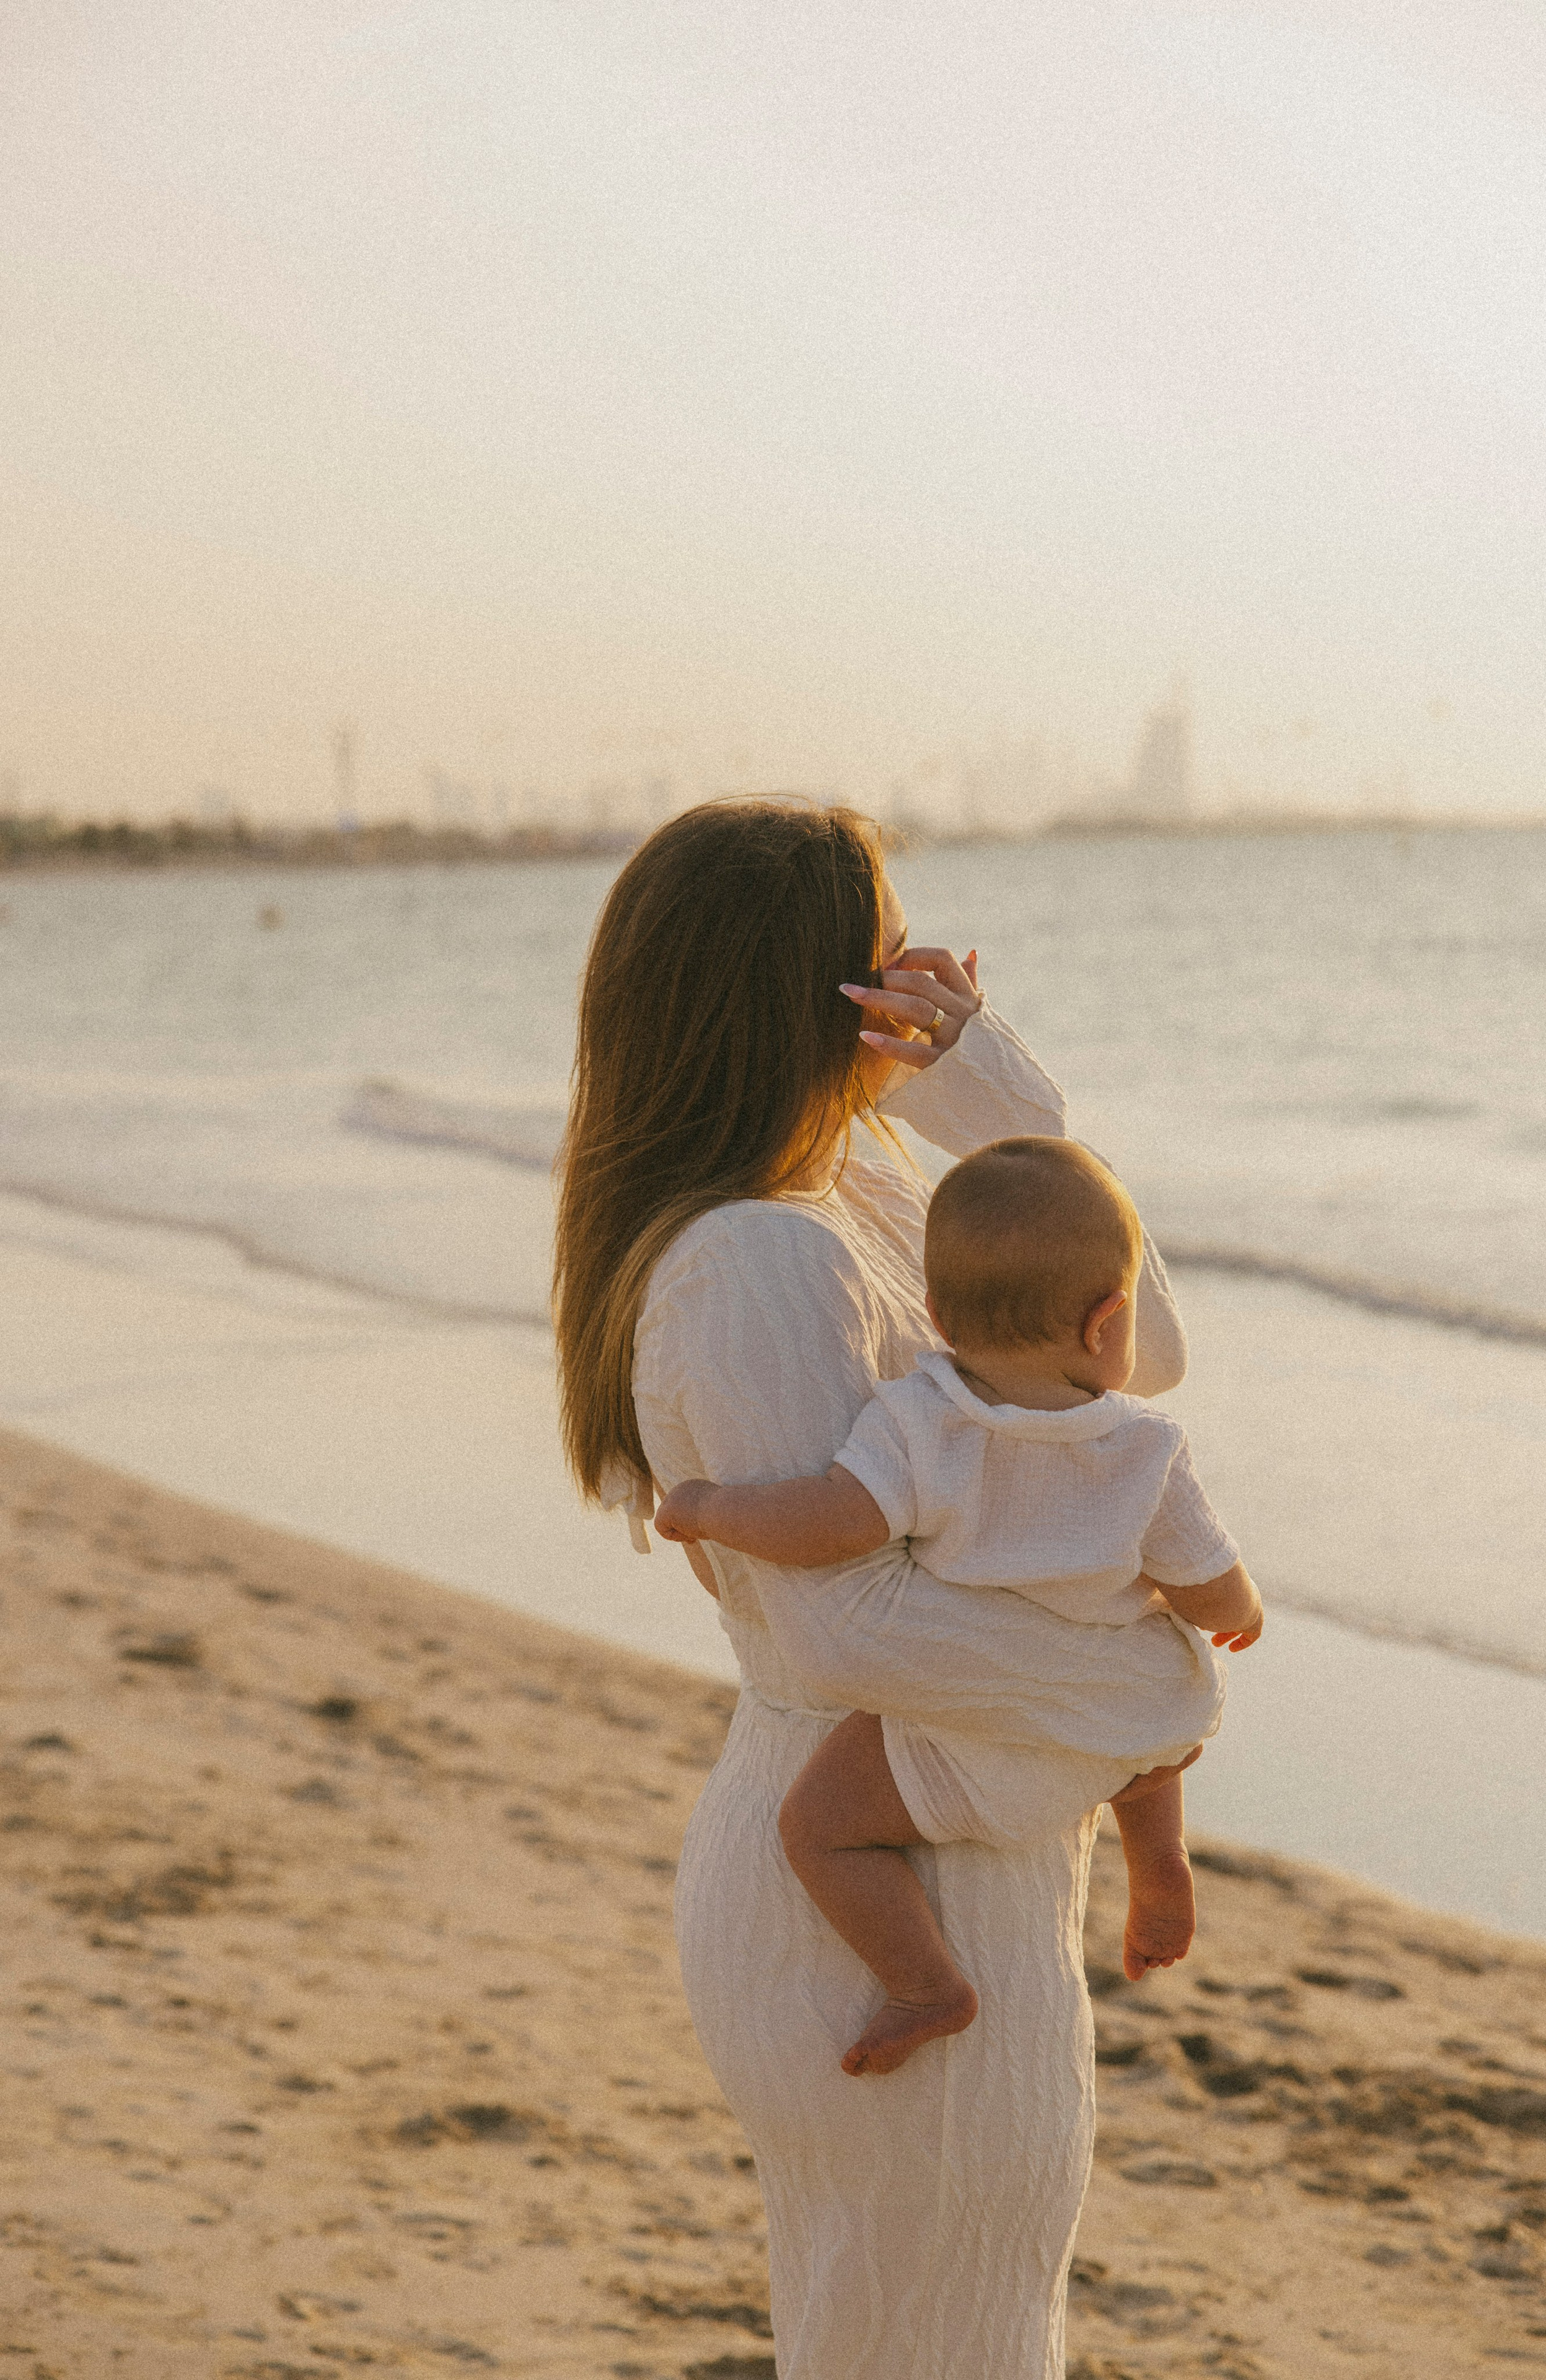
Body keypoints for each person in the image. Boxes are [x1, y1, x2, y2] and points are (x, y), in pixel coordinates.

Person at [555, 798, 1208, 2380]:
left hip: (950, 1826)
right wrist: (1143, 1691)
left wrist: (993, 1087)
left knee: (943, 2330)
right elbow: (840, 1623)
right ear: (814, 992)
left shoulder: (850, 1186)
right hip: (874, 1861)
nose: (916, 975)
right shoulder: (752, 1257)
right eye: (879, 955)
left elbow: (1134, 1362)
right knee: (931, 2342)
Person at [654, 1134, 1264, 2077]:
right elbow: (1204, 1580)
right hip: (1115, 1734)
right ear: (1110, 1321)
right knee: (1149, 1673)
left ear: (934, 1312)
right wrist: (1244, 1609)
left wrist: (711, 1507)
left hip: (966, 1741)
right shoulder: (1147, 1447)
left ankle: (924, 1985)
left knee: (817, 1829)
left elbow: (833, 1523)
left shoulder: (919, 1420)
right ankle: (1160, 1861)